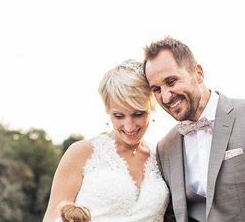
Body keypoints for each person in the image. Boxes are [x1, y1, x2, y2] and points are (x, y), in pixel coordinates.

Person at [143, 36, 245, 222]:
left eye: (171, 82)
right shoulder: (165, 147)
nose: (165, 97)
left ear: (198, 73)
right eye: (156, 89)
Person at [42, 60, 169, 222]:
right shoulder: (81, 152)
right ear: (107, 110)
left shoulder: (162, 157)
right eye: (119, 116)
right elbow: (52, 217)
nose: (129, 126)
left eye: (138, 114)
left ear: (151, 107)